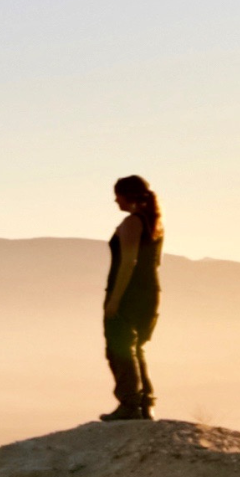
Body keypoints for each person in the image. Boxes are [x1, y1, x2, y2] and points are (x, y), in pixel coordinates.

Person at [101, 175, 162, 421]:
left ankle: (129, 404)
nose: (115, 199)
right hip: (149, 293)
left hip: (128, 293)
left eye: (118, 194)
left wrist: (115, 299)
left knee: (118, 348)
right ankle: (145, 404)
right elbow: (154, 262)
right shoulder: (154, 223)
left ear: (127, 196)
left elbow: (128, 263)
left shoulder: (131, 223)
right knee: (136, 348)